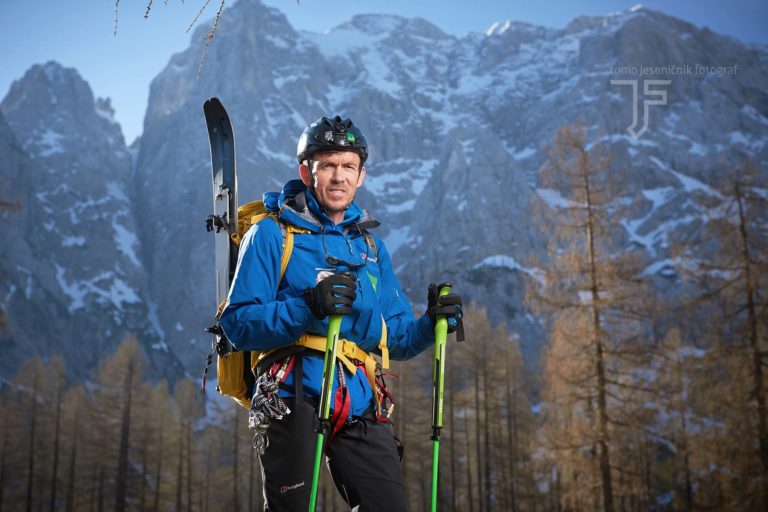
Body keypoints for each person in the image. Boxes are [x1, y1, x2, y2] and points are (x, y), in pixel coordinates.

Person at [219, 115, 463, 511]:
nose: (338, 177)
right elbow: (237, 325)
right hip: (290, 395)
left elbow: (396, 337)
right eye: (328, 165)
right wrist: (309, 306)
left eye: (348, 166)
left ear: (361, 175)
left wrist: (431, 323)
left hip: (359, 398)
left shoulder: (370, 248)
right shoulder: (270, 234)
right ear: (306, 172)